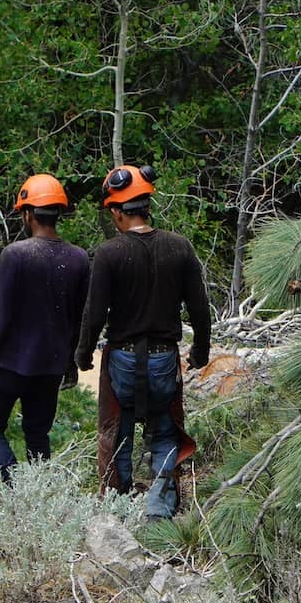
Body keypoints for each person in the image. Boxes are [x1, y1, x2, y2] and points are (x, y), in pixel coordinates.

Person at [77, 165, 212, 521]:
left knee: (116, 433)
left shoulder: (109, 253)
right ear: (146, 205)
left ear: (118, 211)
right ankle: (159, 512)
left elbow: (95, 312)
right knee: (165, 432)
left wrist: (83, 352)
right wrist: (200, 351)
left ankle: (116, 511)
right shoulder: (179, 248)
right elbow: (199, 307)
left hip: (121, 357)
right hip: (164, 358)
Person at [0, 174, 91, 482]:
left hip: (11, 364)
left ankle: (16, 487)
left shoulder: (16, 255)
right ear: (58, 212)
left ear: (28, 214)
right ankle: (39, 495)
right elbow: (79, 319)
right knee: (37, 435)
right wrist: (71, 365)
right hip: (50, 367)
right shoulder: (79, 258)